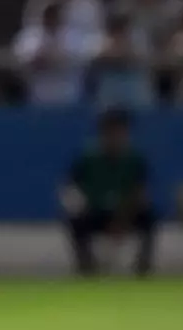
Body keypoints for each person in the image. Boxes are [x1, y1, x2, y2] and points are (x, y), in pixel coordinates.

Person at [60, 108, 156, 276]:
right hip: (94, 212)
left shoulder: (135, 160)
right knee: (75, 221)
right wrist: (80, 206)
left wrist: (122, 221)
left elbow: (139, 192)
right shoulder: (87, 159)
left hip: (125, 212)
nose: (115, 137)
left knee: (149, 218)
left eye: (120, 132)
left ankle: (143, 268)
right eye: (110, 132)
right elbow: (71, 190)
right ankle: (87, 268)